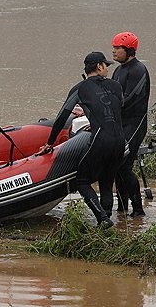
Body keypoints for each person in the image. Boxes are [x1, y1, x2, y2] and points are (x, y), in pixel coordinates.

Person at [39, 52, 126, 228]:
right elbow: (115, 109)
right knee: (107, 181)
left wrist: (50, 143)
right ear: (99, 66)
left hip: (101, 139)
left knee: (82, 181)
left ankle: (102, 218)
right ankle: (106, 222)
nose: (107, 70)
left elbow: (62, 116)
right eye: (106, 66)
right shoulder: (116, 86)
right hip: (120, 140)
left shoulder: (80, 88)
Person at [110, 31, 151, 217]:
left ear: (129, 50)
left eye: (118, 48)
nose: (114, 52)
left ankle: (138, 209)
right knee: (115, 164)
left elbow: (130, 99)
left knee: (124, 165)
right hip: (120, 123)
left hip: (135, 124)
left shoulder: (138, 70)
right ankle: (122, 206)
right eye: (114, 48)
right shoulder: (118, 70)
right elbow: (112, 95)